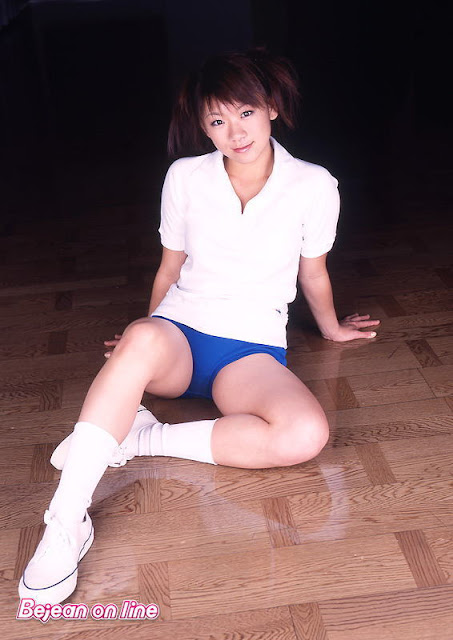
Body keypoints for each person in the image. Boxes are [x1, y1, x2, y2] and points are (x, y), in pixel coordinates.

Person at [18, 49, 379, 605]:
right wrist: (142, 337)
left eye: (246, 113)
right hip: (181, 333)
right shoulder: (185, 177)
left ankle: (143, 438)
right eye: (217, 120)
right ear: (203, 128)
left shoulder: (314, 185)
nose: (235, 132)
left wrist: (329, 329)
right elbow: (170, 267)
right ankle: (65, 521)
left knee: (305, 434)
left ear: (271, 109)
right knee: (142, 339)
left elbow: (313, 271)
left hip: (250, 350)